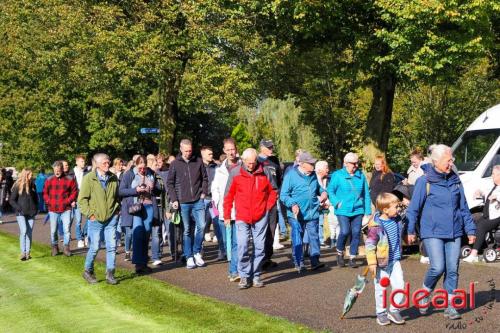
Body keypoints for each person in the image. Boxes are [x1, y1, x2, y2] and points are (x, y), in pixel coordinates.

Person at [407, 144, 476, 320]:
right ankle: (424, 295)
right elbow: (414, 208)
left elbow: (463, 207)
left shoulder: (455, 179)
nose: (451, 162)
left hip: (454, 231)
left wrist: (470, 228)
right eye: (448, 160)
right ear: (436, 161)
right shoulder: (425, 181)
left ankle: (451, 305)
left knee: (452, 269)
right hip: (432, 231)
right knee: (438, 267)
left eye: (451, 159)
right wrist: (410, 229)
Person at [224, 148, 277, 289]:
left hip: (261, 216)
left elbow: (273, 191)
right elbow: (228, 195)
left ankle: (257, 275)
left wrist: (267, 208)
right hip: (242, 216)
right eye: (248, 163)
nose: (251, 165)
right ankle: (244, 276)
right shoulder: (235, 173)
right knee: (242, 246)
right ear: (243, 160)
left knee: (260, 248)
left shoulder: (265, 171)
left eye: (253, 162)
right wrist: (227, 215)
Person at [281, 151, 327, 273]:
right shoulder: (290, 175)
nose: (313, 165)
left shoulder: (312, 175)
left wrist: (323, 193)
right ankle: (299, 262)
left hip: (312, 212)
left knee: (314, 237)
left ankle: (315, 260)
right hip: (296, 214)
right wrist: (292, 204)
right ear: (301, 163)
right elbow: (283, 195)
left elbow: (319, 189)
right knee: (298, 238)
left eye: (313, 162)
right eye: (310, 163)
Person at [79, 153, 121, 284]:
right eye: (104, 163)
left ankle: (110, 273)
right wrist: (90, 214)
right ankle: (87, 270)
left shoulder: (113, 178)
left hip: (111, 218)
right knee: (95, 246)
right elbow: (82, 200)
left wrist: (116, 211)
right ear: (96, 164)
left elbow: (117, 197)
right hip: (95, 219)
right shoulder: (89, 178)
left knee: (112, 246)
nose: (107, 164)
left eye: (108, 162)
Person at [167, 139, 208, 269]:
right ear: (180, 149)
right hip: (182, 202)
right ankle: (188, 256)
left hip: (197, 200)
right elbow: (170, 183)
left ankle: (196, 252)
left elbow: (205, 178)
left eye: (190, 150)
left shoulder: (198, 161)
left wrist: (203, 193)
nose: (188, 153)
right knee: (186, 230)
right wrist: (174, 199)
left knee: (202, 226)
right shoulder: (174, 164)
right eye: (186, 151)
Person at [366, 193, 406, 326]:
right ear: (385, 210)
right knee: (381, 289)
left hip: (395, 261)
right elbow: (370, 245)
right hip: (381, 263)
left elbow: (407, 212)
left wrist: (403, 204)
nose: (398, 209)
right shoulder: (376, 226)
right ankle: (381, 313)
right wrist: (371, 262)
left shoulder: (397, 219)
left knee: (400, 286)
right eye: (395, 207)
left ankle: (394, 310)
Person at [327, 152, 371, 268]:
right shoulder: (337, 175)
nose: (356, 166)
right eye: (353, 164)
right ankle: (339, 253)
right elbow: (330, 190)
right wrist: (337, 202)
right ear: (346, 163)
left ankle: (352, 257)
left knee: (356, 233)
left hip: (358, 209)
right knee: (345, 231)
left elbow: (366, 194)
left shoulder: (361, 175)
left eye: (357, 163)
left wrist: (367, 212)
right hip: (343, 209)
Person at [120, 155, 161, 274]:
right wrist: (135, 190)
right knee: (138, 234)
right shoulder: (129, 174)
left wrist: (153, 187)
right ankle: (138, 265)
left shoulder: (151, 173)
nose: (143, 170)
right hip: (136, 208)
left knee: (146, 234)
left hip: (149, 207)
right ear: (136, 165)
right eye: (140, 168)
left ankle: (143, 263)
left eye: (144, 168)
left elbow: (159, 189)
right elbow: (121, 191)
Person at [211, 138, 241, 281]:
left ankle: (234, 270)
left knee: (237, 242)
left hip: (240, 210)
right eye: (228, 150)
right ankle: (233, 267)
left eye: (232, 149)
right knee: (226, 241)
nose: (230, 152)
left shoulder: (243, 166)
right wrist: (217, 203)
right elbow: (215, 188)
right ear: (224, 151)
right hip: (225, 211)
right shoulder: (220, 170)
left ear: (236, 149)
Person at [463, 165, 500, 263]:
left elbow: (497, 195)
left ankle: (474, 254)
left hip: (496, 217)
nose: (492, 176)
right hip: (486, 215)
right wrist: (479, 192)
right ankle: (474, 247)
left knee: (481, 226)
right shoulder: (493, 186)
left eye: (493, 174)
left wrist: (496, 196)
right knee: (473, 222)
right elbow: (485, 192)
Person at [43, 161, 78, 256]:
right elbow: (45, 193)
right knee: (53, 230)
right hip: (53, 209)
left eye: (58, 170)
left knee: (66, 230)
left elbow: (74, 192)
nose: (57, 172)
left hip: (66, 209)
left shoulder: (70, 179)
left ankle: (66, 247)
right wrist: (48, 201)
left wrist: (68, 201)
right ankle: (54, 246)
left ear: (62, 169)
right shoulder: (49, 179)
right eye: (55, 170)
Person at [258, 139, 282, 270]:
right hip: (260, 199)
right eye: (268, 147)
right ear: (262, 147)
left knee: (272, 229)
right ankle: (259, 258)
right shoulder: (255, 161)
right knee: (260, 229)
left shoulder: (274, 161)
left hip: (272, 199)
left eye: (272, 147)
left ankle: (267, 257)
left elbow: (279, 179)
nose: (271, 149)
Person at [9, 168, 38, 261]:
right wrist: (19, 208)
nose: (32, 176)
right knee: (24, 231)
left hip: (31, 213)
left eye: (32, 175)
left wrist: (36, 209)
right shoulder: (18, 185)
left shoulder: (33, 185)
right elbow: (12, 200)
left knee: (29, 232)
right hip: (21, 213)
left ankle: (28, 253)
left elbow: (36, 199)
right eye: (30, 175)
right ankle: (23, 252)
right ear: (26, 175)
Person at [316, 160, 340, 248]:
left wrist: (328, 203)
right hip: (317, 205)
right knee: (318, 222)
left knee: (323, 223)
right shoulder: (314, 179)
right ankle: (319, 241)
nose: (328, 170)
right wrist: (321, 202)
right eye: (326, 168)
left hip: (327, 206)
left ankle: (322, 240)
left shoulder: (328, 179)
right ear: (319, 170)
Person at [201, 146, 220, 247]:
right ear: (203, 154)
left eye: (212, 154)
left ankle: (222, 251)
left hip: (214, 200)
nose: (211, 156)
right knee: (202, 224)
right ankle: (200, 249)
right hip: (203, 200)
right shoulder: (198, 166)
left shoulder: (216, 167)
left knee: (217, 223)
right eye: (209, 154)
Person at [73, 155, 88, 248]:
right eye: (82, 161)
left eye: (84, 161)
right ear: (77, 162)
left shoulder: (87, 172)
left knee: (89, 219)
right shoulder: (72, 173)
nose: (84, 163)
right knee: (78, 220)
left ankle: (85, 234)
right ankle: (79, 239)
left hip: (86, 199)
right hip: (77, 199)